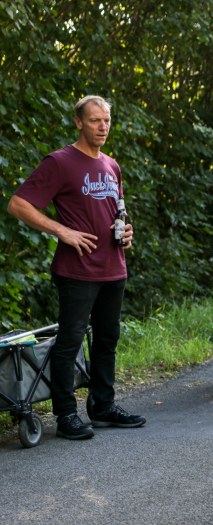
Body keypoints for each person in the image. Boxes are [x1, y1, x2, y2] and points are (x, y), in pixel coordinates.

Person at [7, 95, 146, 440]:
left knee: (107, 339)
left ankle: (102, 407)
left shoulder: (112, 165)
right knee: (69, 341)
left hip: (113, 267)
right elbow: (18, 204)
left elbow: (116, 212)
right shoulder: (60, 162)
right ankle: (66, 415)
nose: (102, 127)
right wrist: (62, 231)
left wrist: (126, 232)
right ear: (79, 122)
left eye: (107, 121)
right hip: (77, 270)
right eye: (95, 120)